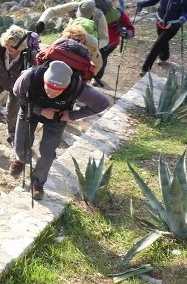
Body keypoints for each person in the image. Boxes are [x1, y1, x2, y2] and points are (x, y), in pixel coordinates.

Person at [10, 60, 111, 201]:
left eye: (58, 91)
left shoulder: (76, 87)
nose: (51, 93)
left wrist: (71, 115)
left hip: (57, 117)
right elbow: (17, 93)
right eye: (48, 88)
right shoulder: (31, 75)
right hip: (30, 110)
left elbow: (103, 103)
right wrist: (41, 110)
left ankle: (38, 183)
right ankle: (20, 159)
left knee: (47, 153)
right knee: (20, 144)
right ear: (44, 79)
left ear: (66, 86)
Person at [134, 0, 187, 75]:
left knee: (157, 46)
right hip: (160, 23)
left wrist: (184, 17)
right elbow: (152, 1)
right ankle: (164, 57)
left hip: (173, 26)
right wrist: (142, 4)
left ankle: (145, 69)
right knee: (163, 43)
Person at [37, 0, 110, 51]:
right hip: (69, 36)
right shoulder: (74, 6)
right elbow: (51, 11)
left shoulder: (99, 16)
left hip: (90, 42)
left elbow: (104, 39)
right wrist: (42, 21)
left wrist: (92, 45)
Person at [95, 0, 135, 85]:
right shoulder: (98, 12)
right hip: (96, 40)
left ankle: (97, 77)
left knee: (101, 58)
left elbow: (130, 28)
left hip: (110, 43)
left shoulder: (120, 13)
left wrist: (127, 33)